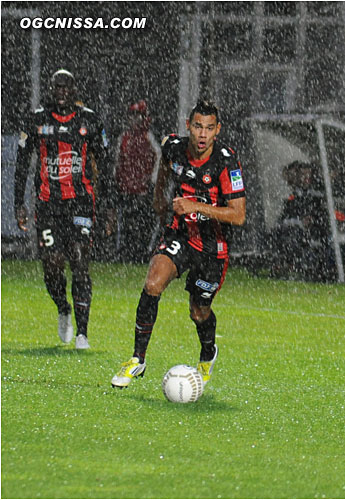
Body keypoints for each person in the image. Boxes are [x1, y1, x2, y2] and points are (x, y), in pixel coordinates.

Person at [111, 100, 246, 388]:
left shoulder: (225, 161)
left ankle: (209, 351)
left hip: (212, 246)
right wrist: (160, 195)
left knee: (198, 311)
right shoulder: (174, 147)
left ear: (217, 130)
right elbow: (165, 165)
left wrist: (195, 205)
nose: (202, 134)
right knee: (152, 284)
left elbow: (238, 215)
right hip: (181, 235)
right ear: (188, 125)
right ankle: (137, 360)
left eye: (209, 128)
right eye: (198, 126)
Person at [14, 69, 111, 350]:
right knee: (53, 264)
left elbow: (104, 165)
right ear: (51, 89)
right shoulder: (36, 119)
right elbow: (22, 164)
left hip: (80, 200)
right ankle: (63, 307)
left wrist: (107, 207)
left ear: (75, 90)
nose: (62, 92)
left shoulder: (89, 120)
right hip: (47, 205)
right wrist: (19, 203)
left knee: (80, 260)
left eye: (67, 87)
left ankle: (83, 332)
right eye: (57, 87)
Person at [113, 99, 161, 263]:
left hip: (143, 190)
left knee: (144, 224)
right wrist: (118, 182)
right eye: (132, 115)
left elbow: (158, 159)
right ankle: (125, 253)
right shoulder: (124, 137)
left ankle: (143, 253)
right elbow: (118, 162)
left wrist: (152, 182)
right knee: (126, 223)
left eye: (137, 115)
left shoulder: (149, 137)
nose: (134, 119)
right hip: (126, 190)